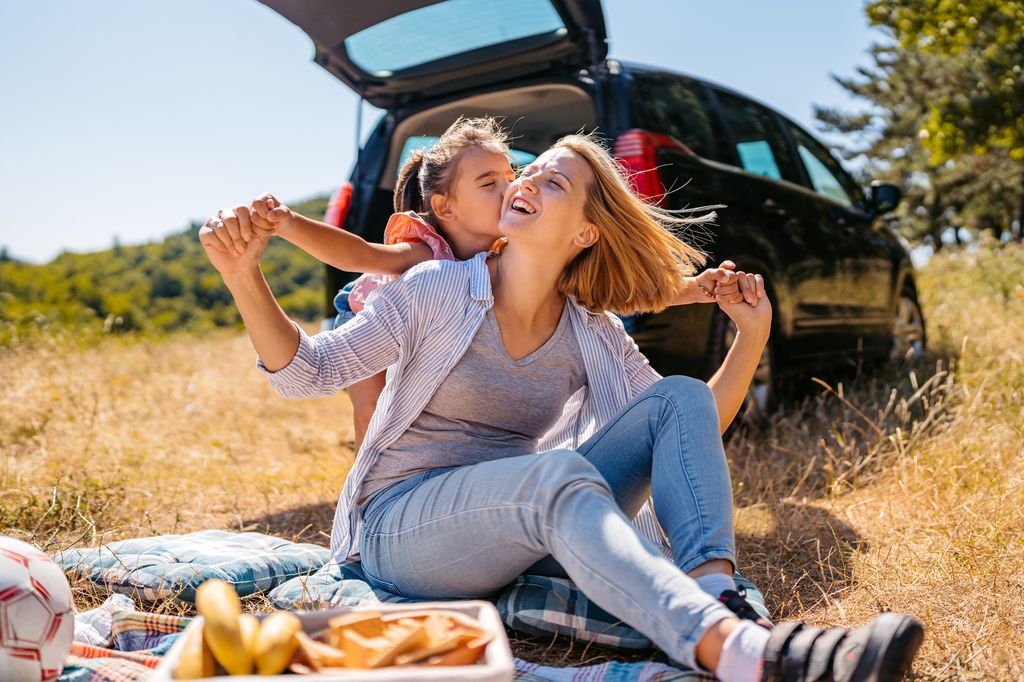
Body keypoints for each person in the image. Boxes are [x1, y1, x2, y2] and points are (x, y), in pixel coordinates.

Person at [199, 134, 923, 681]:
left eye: (555, 181)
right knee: (553, 477)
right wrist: (244, 275)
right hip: (402, 532)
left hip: (513, 525)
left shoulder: (589, 329)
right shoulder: (432, 290)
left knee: (674, 396)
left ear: (584, 232)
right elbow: (306, 373)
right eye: (529, 170)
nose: (529, 180)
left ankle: (720, 600)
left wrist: (752, 336)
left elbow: (694, 426)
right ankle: (740, 655)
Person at [206, 117, 759, 451]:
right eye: (491, 183)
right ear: (445, 206)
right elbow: (358, 256)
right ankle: (368, 493)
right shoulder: (427, 260)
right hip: (374, 321)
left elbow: (614, 292)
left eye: (514, 176)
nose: (516, 187)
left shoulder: (531, 272)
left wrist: (697, 291)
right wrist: (287, 226)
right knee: (374, 414)